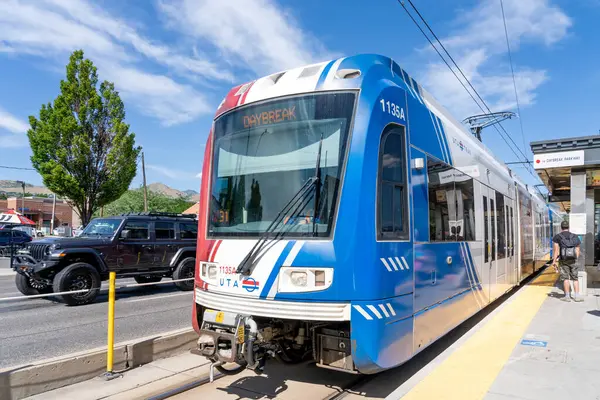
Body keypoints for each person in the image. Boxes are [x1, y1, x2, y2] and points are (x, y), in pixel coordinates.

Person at [552, 220, 583, 302]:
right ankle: (577, 296)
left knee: (566, 278)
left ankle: (567, 296)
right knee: (575, 278)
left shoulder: (557, 237)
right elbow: (578, 249)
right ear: (568, 227)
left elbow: (555, 250)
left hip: (563, 260)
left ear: (561, 227)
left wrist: (554, 261)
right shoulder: (575, 236)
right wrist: (575, 258)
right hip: (573, 260)